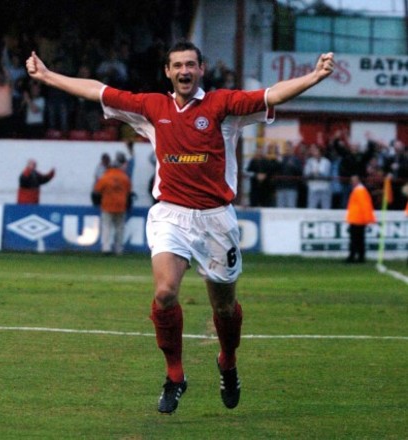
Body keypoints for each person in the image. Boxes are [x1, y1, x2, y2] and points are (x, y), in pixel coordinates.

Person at [26, 41, 335, 413]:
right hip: (170, 214)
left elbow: (271, 94)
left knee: (223, 307)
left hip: (216, 219)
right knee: (165, 292)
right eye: (177, 65)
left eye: (190, 64)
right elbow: (98, 90)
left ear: (201, 69)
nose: (184, 71)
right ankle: (175, 375)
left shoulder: (223, 106)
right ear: (167, 72)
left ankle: (228, 362)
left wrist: (315, 76)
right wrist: (47, 76)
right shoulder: (152, 107)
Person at [93, 160, 132, 255]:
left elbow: (97, 190)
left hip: (107, 205)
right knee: (120, 228)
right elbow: (129, 191)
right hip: (121, 205)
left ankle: (106, 248)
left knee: (106, 227)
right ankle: (119, 249)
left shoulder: (105, 177)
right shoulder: (124, 177)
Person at [344, 175, 376, 263]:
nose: (352, 183)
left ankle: (354, 257)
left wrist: (367, 218)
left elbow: (364, 205)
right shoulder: (359, 190)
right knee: (359, 239)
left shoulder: (359, 191)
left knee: (355, 239)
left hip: (357, 219)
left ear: (358, 181)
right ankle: (359, 257)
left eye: (353, 181)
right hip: (358, 218)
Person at [304, 144, 332, 209]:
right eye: (314, 151)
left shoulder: (326, 161)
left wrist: (318, 173)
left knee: (326, 208)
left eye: (316, 151)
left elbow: (327, 174)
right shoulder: (309, 161)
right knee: (311, 207)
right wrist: (312, 173)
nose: (315, 152)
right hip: (313, 188)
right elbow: (306, 173)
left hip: (324, 188)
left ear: (320, 152)